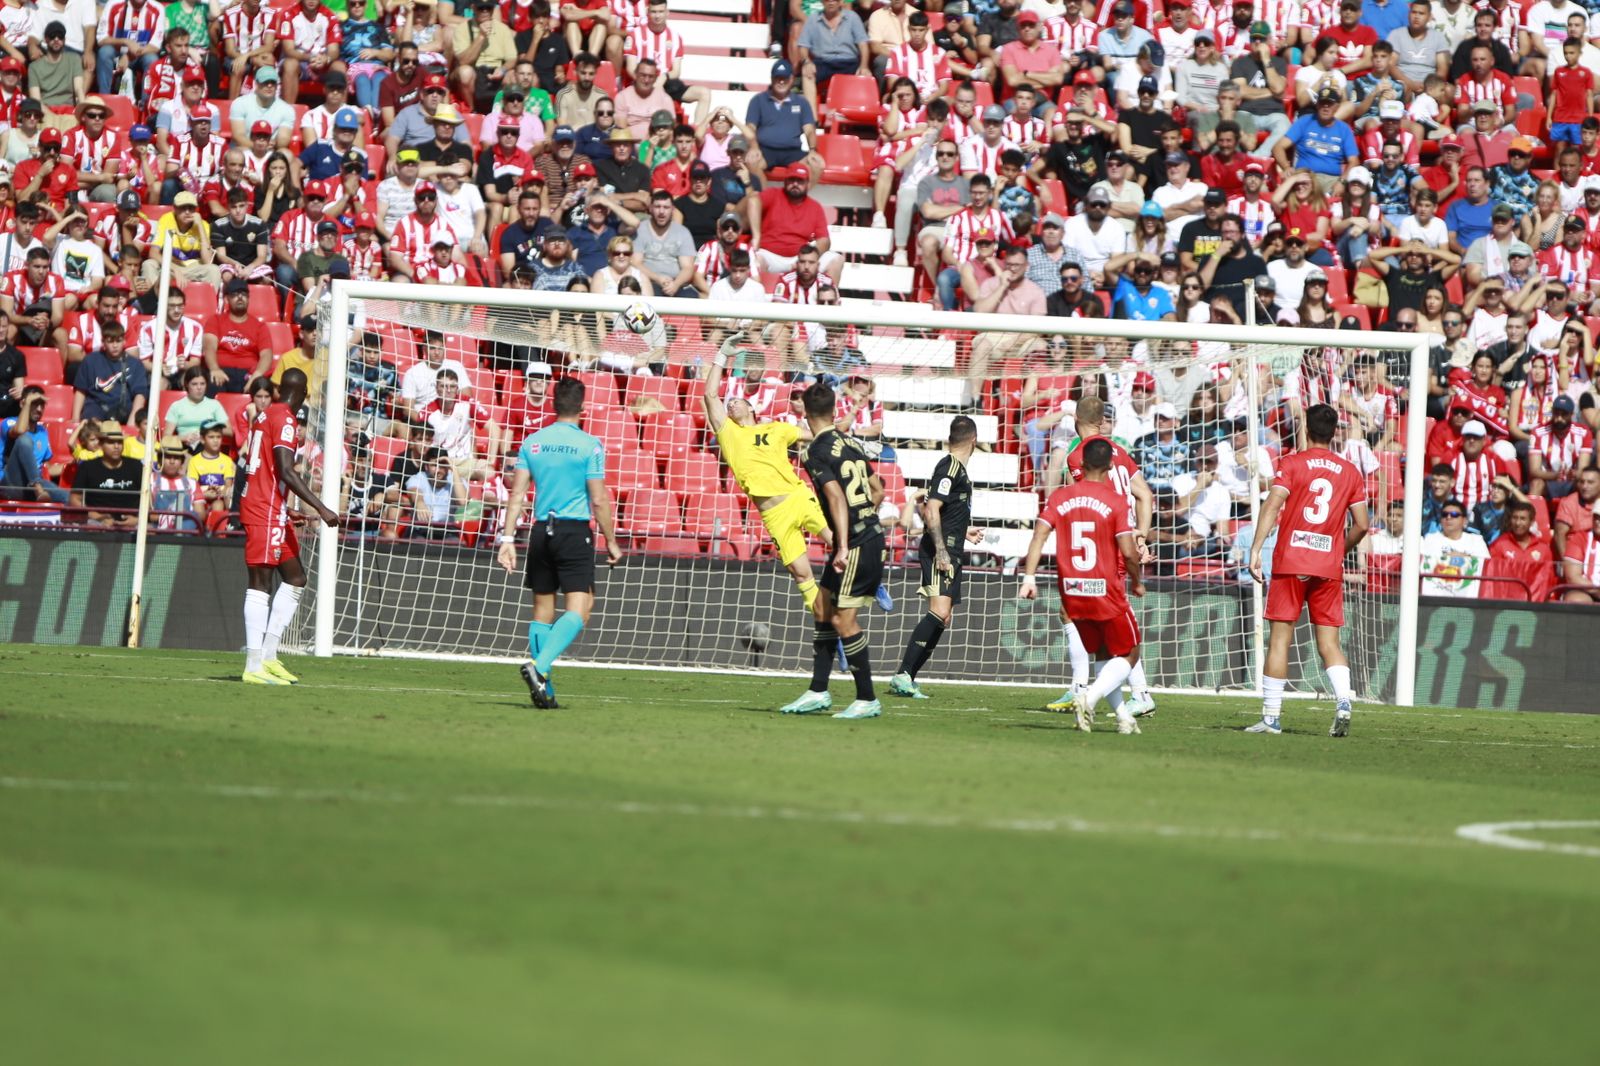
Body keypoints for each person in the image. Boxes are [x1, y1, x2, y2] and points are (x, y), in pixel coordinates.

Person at [497, 376, 624, 709]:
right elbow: (598, 499)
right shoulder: (590, 445)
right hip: (573, 531)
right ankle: (539, 668)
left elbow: (518, 494)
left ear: (553, 404)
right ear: (583, 407)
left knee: (542, 613)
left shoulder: (533, 442)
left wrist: (507, 538)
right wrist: (611, 540)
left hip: (540, 531)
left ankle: (544, 689)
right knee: (580, 611)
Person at [1247, 403, 1371, 736]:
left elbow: (1273, 504)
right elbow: (1362, 524)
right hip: (1327, 567)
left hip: (1291, 562)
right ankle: (1344, 700)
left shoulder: (1292, 463)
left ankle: (1271, 718)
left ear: (1306, 429)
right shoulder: (1350, 472)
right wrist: (1337, 551)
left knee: (1279, 642)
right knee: (1329, 643)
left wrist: (1256, 548)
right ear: (1334, 433)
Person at [1021, 437, 1148, 734]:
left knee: (1104, 652)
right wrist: (1137, 582)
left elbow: (1039, 535)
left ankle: (1122, 717)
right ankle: (1087, 697)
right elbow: (1129, 552)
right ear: (1110, 465)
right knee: (1130, 652)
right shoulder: (1116, 501)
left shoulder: (1060, 497)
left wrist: (1029, 577)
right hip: (1105, 588)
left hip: (1072, 591)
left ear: (1082, 464)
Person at [702, 331, 832, 612]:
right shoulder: (729, 434)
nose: (731, 403)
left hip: (797, 497)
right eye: (729, 403)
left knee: (836, 540)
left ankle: (872, 581)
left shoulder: (776, 428)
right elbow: (710, 395)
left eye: (736, 401)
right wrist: (722, 355)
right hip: (773, 515)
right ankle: (828, 628)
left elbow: (817, 434)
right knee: (802, 574)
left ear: (751, 407)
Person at [781, 381, 886, 720]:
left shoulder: (815, 451)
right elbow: (878, 489)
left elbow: (836, 497)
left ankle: (867, 697)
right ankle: (817, 691)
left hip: (854, 543)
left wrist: (843, 543)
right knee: (823, 608)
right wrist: (866, 519)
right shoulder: (850, 442)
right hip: (864, 535)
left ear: (805, 411)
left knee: (843, 619)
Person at [1054, 395, 1157, 715]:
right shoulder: (1121, 453)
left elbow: (1084, 502)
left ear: (1075, 421)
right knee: (1090, 616)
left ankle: (1088, 689)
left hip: (1101, 544)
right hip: (1119, 541)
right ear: (1102, 422)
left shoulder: (1078, 455)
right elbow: (1145, 495)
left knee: (1085, 616)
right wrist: (1140, 535)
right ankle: (1113, 690)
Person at [239, 368, 340, 684]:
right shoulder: (284, 419)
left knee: (295, 577)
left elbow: (267, 468)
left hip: (272, 507)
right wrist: (320, 507)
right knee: (260, 582)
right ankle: (253, 665)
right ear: (305, 394)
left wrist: (287, 510)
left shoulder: (266, 414)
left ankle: (268, 656)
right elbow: (285, 469)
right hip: (263, 508)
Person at [889, 415, 983, 700]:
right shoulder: (950, 467)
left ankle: (908, 677)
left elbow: (945, 512)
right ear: (974, 441)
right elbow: (931, 509)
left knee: (945, 616)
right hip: (941, 551)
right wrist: (941, 550)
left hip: (953, 547)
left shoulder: (958, 471)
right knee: (939, 611)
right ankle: (903, 674)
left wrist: (963, 531)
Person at [70, 420, 142, 527]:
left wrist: (137, 520)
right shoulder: (87, 467)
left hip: (133, 524)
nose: (116, 446)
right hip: (96, 523)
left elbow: (148, 499)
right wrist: (97, 517)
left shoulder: (136, 466)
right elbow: (74, 499)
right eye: (111, 442)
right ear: (101, 444)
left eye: (119, 442)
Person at [1420, 496, 1490, 597]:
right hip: (1435, 596)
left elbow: (1486, 566)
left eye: (1454, 514)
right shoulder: (1430, 539)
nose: (1448, 517)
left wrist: (1465, 557)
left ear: (1465, 521)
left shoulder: (1476, 540)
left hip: (1468, 597)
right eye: (1444, 514)